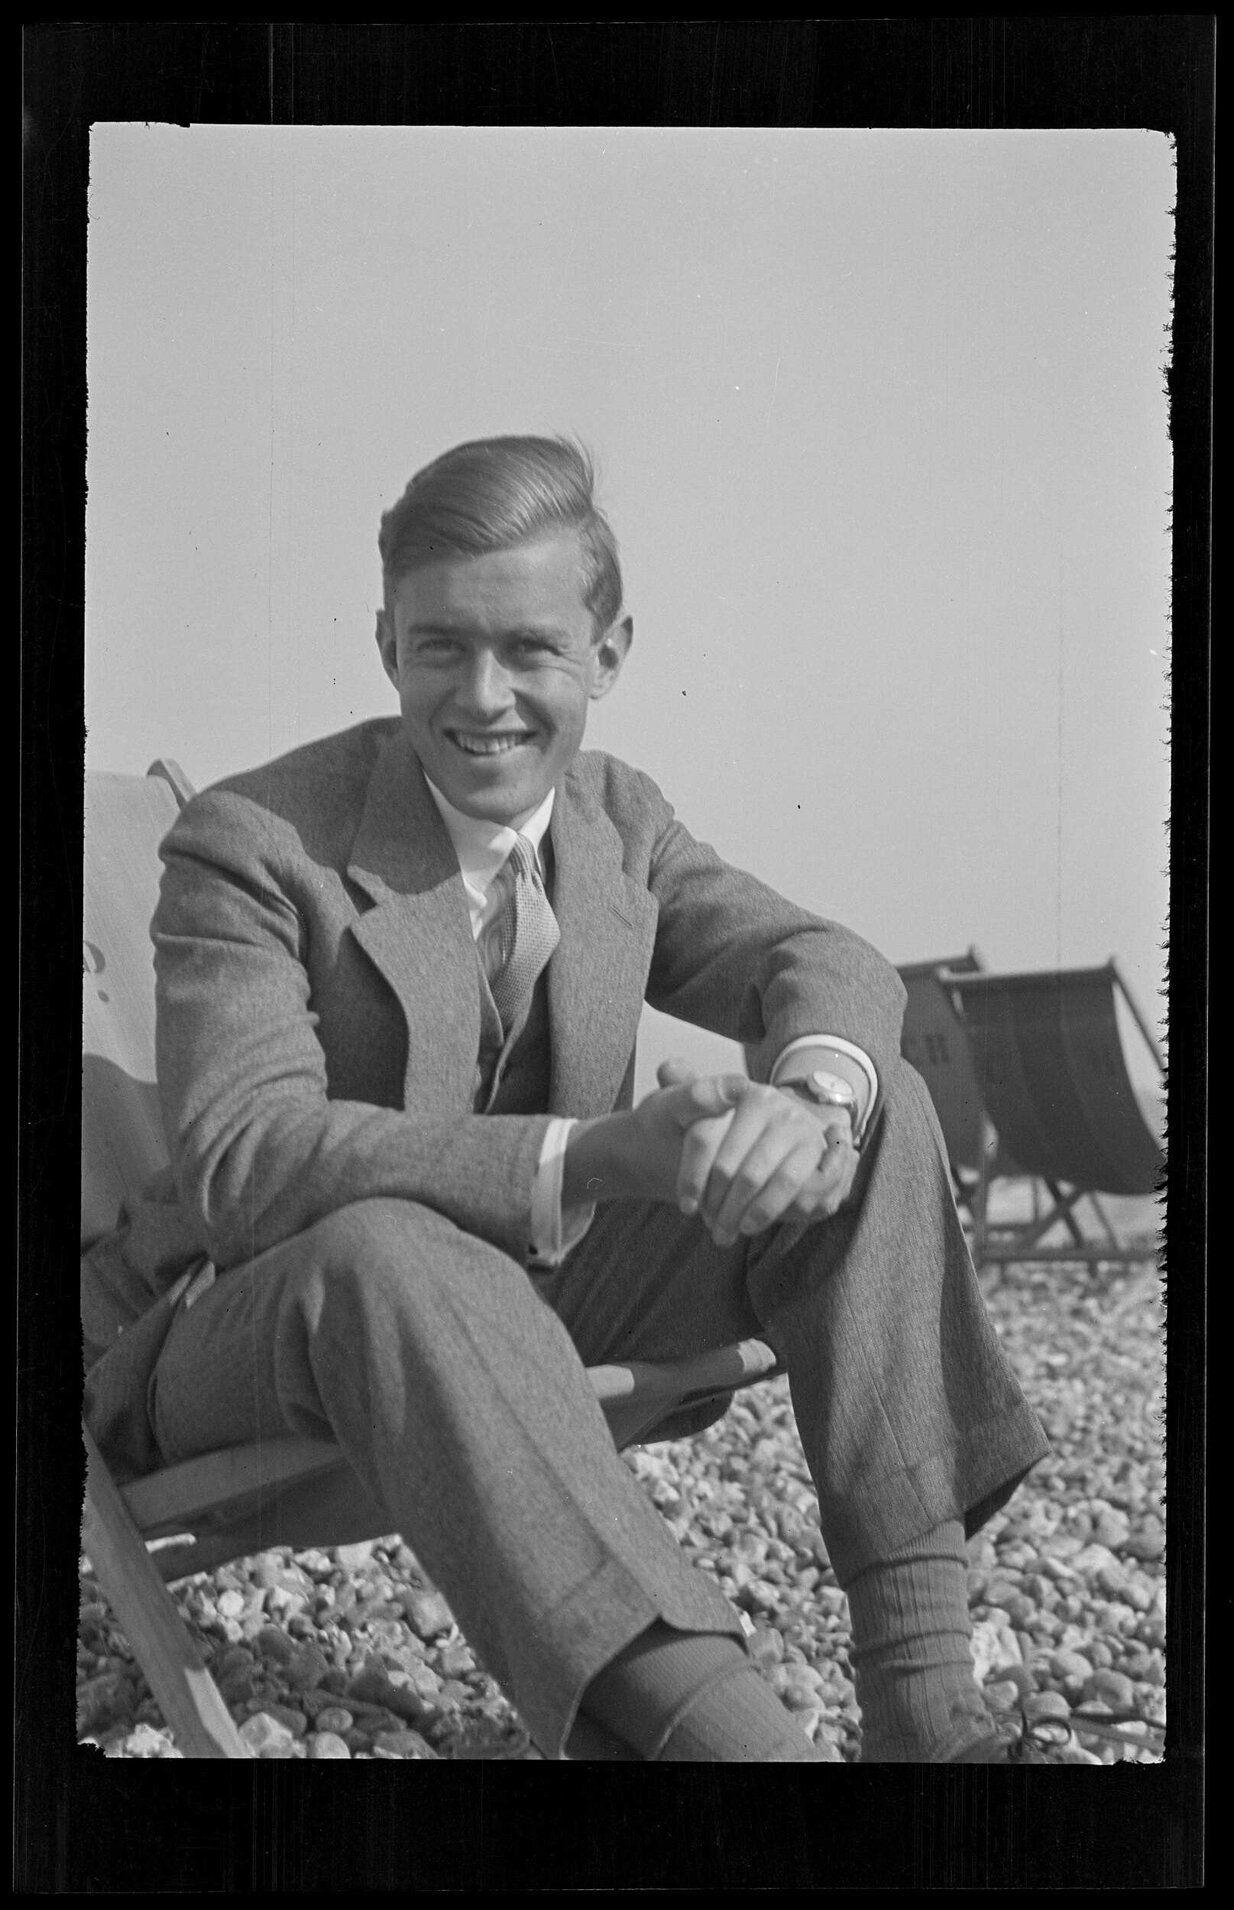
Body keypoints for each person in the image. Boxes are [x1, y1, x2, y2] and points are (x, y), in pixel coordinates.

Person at [83, 435, 1049, 1762]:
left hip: (514, 1298)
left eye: (529, 650)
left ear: (609, 651)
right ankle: (731, 1756)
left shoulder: (615, 821)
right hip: (250, 1324)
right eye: (439, 649)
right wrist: (594, 1156)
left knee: (877, 1113)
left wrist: (810, 1109)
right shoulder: (256, 845)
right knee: (386, 1251)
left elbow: (817, 960)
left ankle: (930, 1718)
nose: (482, 698)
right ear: (383, 643)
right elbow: (247, 1164)